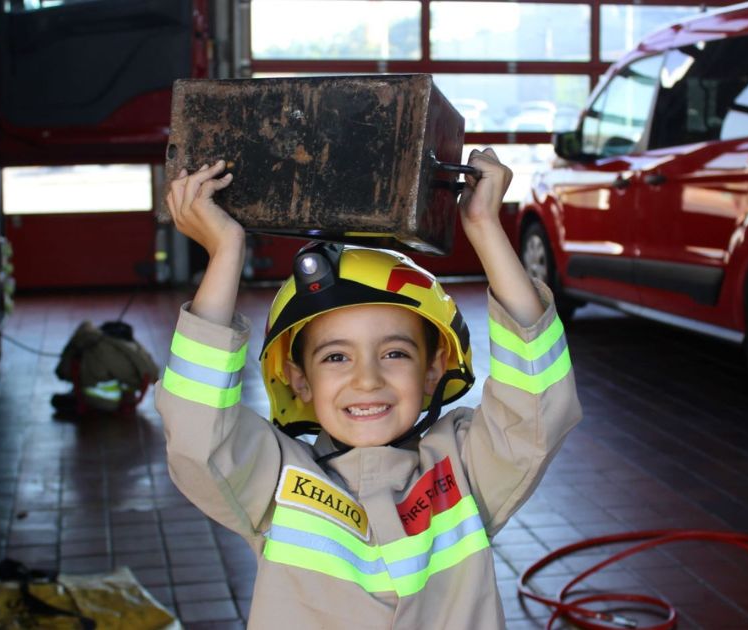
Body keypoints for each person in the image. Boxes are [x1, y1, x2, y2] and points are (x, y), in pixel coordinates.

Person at [156, 149, 582, 628]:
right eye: (335, 357)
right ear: (299, 379)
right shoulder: (275, 485)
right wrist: (225, 252)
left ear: (434, 369)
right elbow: (197, 431)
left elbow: (537, 402)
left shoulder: (464, 471)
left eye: (395, 353)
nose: (367, 379)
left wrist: (485, 227)